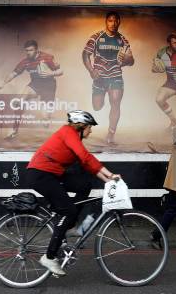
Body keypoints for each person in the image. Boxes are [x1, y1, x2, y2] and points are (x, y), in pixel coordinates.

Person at [26, 110, 121, 276]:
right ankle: (49, 257)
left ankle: (68, 225)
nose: (90, 131)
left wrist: (109, 181)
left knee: (84, 185)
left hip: (53, 173)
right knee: (68, 210)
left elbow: (88, 165)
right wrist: (110, 174)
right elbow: (85, 157)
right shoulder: (68, 132)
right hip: (41, 174)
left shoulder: (74, 138)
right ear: (81, 126)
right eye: (89, 127)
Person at [82, 12, 134, 145]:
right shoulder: (96, 37)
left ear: (119, 23)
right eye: (110, 21)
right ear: (106, 22)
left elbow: (131, 60)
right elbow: (85, 54)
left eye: (116, 21)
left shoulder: (123, 40)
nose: (113, 23)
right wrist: (91, 70)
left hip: (115, 75)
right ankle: (102, 97)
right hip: (99, 78)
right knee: (97, 106)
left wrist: (127, 60)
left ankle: (111, 134)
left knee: (115, 102)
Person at [0, 40, 63, 137]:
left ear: (36, 50)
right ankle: (14, 130)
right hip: (35, 84)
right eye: (26, 50)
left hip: (49, 86)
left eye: (30, 50)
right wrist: (3, 83)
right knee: (20, 101)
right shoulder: (25, 62)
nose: (28, 53)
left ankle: (47, 119)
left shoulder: (47, 57)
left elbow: (61, 71)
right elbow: (14, 73)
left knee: (45, 117)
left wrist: (51, 73)